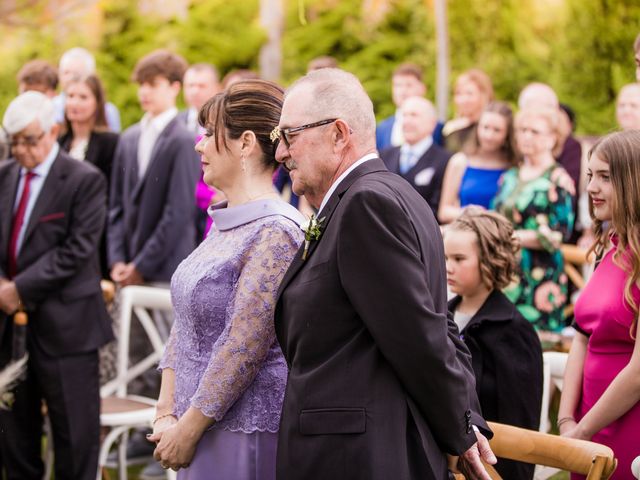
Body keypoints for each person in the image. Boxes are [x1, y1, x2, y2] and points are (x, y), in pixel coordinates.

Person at [272, 68, 495, 480]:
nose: (281, 154)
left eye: (289, 136)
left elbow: (421, 334)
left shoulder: (366, 204)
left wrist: (461, 430)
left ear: (338, 134)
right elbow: (436, 321)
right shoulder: (387, 192)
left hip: (355, 457)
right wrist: (466, 417)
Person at [149, 79, 305, 478]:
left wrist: (188, 427)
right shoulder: (224, 221)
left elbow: (244, 346)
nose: (199, 146)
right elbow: (184, 325)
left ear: (245, 143)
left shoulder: (275, 231)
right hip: (194, 423)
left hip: (241, 431)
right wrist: (166, 411)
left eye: (207, 134)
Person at [0, 91, 112, 480]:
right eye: (13, 141)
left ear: (53, 130)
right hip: (10, 331)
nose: (20, 150)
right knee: (15, 441)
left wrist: (19, 288)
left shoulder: (83, 180)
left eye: (29, 140)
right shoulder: (5, 174)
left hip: (68, 331)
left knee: (74, 442)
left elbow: (78, 250)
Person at [558, 130, 640, 480]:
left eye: (605, 177)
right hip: (586, 421)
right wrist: (566, 422)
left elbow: (639, 372)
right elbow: (581, 335)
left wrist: (583, 431)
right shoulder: (609, 245)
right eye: (590, 175)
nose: (591, 187)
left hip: (629, 423)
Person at [444, 207, 543, 480]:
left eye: (459, 259)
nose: (447, 267)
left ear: (489, 259)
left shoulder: (513, 331)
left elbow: (520, 419)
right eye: (445, 257)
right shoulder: (440, 315)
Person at [493, 106, 575, 332]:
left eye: (535, 132)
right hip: (504, 271)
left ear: (553, 138)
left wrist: (510, 236)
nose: (527, 136)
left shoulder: (559, 180)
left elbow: (558, 234)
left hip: (539, 275)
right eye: (523, 130)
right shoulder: (510, 176)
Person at [58, 74, 118, 278]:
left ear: (96, 102)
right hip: (59, 237)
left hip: (95, 241)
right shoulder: (58, 142)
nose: (74, 102)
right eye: (71, 96)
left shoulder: (110, 142)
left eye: (83, 97)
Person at [438, 101, 516, 224]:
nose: (489, 135)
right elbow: (444, 211)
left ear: (507, 134)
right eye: (485, 127)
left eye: (497, 130)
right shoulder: (460, 161)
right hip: (466, 232)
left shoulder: (513, 166)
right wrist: (472, 213)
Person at [380, 96, 451, 218]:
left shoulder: (446, 160)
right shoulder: (384, 155)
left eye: (414, 115)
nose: (407, 121)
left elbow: (436, 208)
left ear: (432, 123)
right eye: (404, 115)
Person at [376, 63, 443, 151]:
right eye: (398, 85)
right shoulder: (382, 129)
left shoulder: (438, 128)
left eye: (409, 85)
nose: (403, 91)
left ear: (423, 89)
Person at [53, 47, 121, 132]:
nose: (70, 78)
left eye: (76, 74)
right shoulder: (51, 107)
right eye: (66, 72)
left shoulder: (108, 111)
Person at [442, 69, 493, 153]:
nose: (462, 100)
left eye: (469, 93)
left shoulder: (490, 127)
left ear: (483, 95)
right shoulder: (451, 128)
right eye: (458, 93)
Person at [179, 63, 221, 135]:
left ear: (217, 88)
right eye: (190, 85)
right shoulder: (177, 122)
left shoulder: (226, 121)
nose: (195, 91)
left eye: (202, 86)